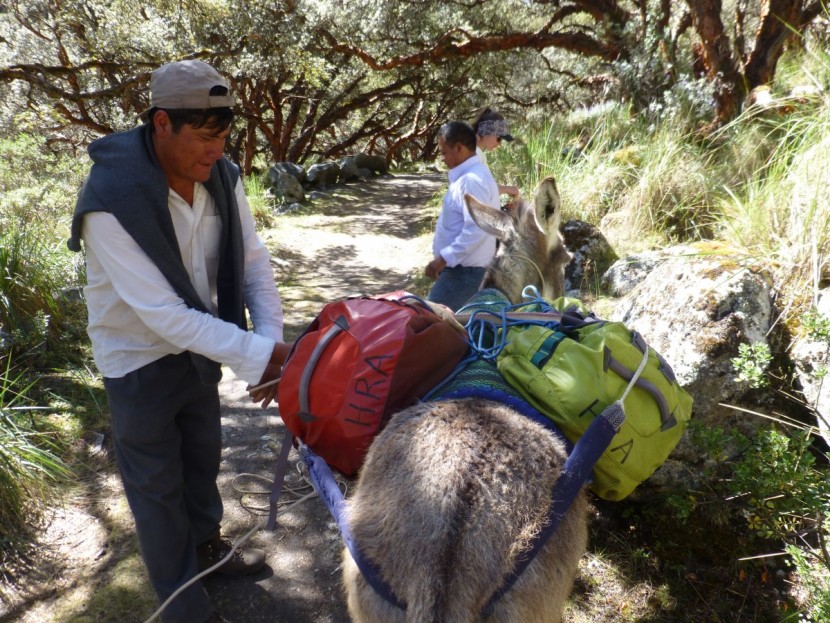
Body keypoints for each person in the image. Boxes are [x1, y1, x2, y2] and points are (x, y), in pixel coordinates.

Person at [67, 60, 290, 623]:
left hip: (198, 348)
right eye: (205, 137)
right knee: (157, 489)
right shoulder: (111, 198)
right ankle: (181, 605)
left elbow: (253, 264)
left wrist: (270, 344)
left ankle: (207, 551)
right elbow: (164, 315)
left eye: (224, 137)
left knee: (201, 459)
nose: (216, 151)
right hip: (136, 358)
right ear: (162, 123)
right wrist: (262, 356)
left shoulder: (222, 178)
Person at [425, 121, 500, 311]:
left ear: (459, 148)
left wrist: (443, 259)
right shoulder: (470, 177)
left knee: (429, 318)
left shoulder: (472, 181)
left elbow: (476, 230)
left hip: (464, 273)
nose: (442, 158)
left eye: (444, 152)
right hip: (460, 271)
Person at [472, 107, 520, 201]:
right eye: (499, 138)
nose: (500, 144)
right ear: (487, 132)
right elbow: (482, 189)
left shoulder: (477, 153)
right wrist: (508, 189)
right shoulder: (472, 154)